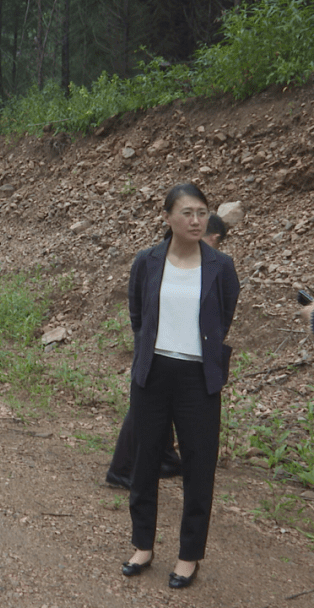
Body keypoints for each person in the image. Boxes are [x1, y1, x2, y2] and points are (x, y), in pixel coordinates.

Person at [120, 183, 239, 589]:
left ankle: (189, 556)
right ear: (168, 217)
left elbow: (223, 316)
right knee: (145, 460)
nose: (195, 220)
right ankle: (142, 546)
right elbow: (138, 314)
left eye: (202, 212)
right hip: (153, 373)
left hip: (198, 378)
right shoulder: (147, 261)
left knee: (198, 465)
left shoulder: (220, 266)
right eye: (187, 213)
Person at [105, 213, 228, 490]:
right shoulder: (157, 261)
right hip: (160, 349)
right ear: (214, 237)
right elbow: (137, 307)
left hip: (174, 350)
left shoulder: (174, 258)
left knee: (159, 409)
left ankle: (165, 458)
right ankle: (123, 469)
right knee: (143, 411)